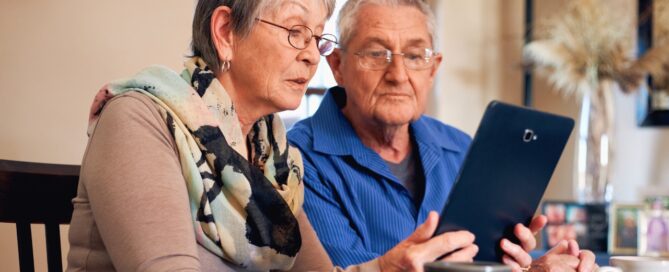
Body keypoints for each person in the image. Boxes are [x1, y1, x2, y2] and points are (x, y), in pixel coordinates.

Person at [287, 0, 598, 271]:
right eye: (376, 53)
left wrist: (532, 268)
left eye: (414, 56)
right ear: (338, 65)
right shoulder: (296, 159)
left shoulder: (462, 149)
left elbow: (485, 263)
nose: (398, 75)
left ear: (433, 69)